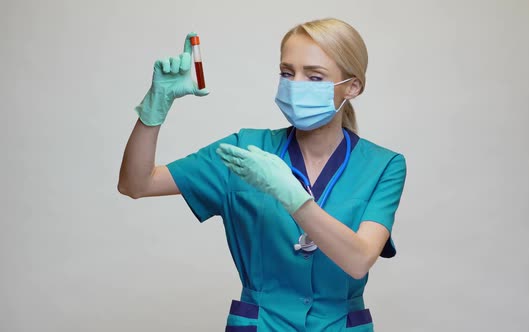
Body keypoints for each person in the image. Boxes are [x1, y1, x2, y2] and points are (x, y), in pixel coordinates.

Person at [118, 18, 407, 332]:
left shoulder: (384, 165)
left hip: (341, 324)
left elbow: (359, 259)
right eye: (287, 73)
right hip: (261, 324)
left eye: (314, 76)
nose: (295, 85)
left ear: (352, 86)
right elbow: (137, 183)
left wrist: (292, 196)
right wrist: (154, 107)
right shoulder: (246, 149)